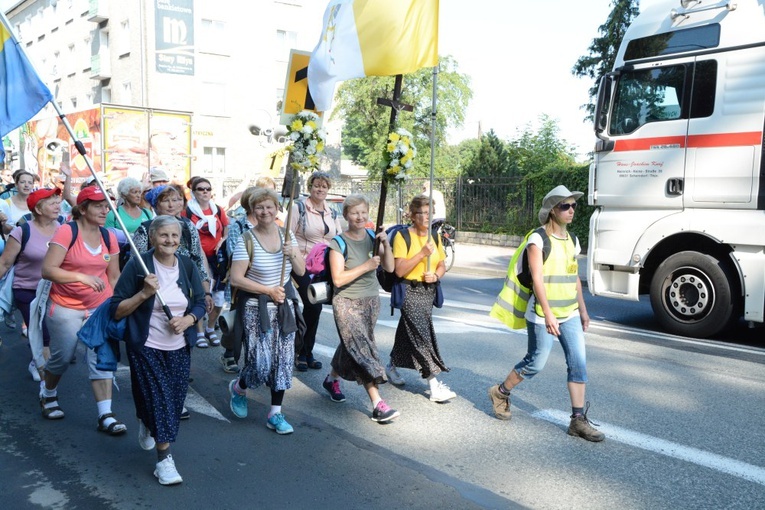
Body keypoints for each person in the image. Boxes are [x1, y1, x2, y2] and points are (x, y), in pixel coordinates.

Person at [487, 185, 605, 442]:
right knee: (535, 363)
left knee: (578, 364)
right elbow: (538, 280)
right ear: (553, 210)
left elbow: (574, 278)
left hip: (570, 312)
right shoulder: (537, 240)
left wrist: (583, 311)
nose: (572, 210)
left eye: (574, 205)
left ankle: (577, 420)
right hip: (543, 313)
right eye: (566, 205)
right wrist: (549, 314)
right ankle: (501, 392)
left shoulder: (573, 240)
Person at [111, 215, 206, 485]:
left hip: (178, 346)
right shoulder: (138, 265)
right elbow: (116, 308)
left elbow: (200, 302)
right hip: (145, 345)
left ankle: (146, 418)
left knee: (173, 404)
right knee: (160, 398)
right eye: (164, 235)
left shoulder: (186, 264)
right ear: (152, 237)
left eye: (175, 236)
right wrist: (143, 293)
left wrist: (188, 319)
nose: (170, 241)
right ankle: (164, 460)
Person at [39, 186, 124, 434]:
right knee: (62, 357)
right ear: (83, 208)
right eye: (98, 205)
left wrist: (119, 305)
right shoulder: (67, 232)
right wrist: (81, 277)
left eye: (106, 205)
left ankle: (105, 414)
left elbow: (114, 276)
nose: (104, 210)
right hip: (66, 306)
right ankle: (48, 392)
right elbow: (48, 270)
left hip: (99, 307)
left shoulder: (109, 236)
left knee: (101, 358)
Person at [228, 188, 305, 435]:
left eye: (269, 206)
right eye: (259, 207)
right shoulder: (246, 239)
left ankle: (275, 413)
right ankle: (239, 388)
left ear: (277, 208)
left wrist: (292, 253)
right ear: (252, 211)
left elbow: (301, 272)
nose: (265, 212)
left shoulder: (287, 235)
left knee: (283, 361)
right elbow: (236, 279)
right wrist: (268, 290)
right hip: (255, 308)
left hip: (283, 307)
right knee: (260, 364)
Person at [322, 194, 399, 422]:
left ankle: (331, 379)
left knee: (352, 345)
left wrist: (385, 243)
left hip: (371, 301)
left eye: (363, 212)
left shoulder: (372, 236)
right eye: (354, 213)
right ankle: (378, 403)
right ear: (345, 215)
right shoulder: (338, 243)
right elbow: (338, 279)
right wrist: (366, 266)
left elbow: (390, 267)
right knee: (362, 349)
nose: (360, 217)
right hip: (347, 302)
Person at [386, 196, 456, 403]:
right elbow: (399, 270)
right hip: (409, 291)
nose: (426, 217)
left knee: (409, 332)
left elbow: (442, 264)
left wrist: (435, 275)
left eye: (429, 213)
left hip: (428, 292)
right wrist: (421, 253)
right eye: (422, 213)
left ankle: (391, 366)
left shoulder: (434, 235)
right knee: (422, 337)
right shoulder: (402, 236)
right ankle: (434, 385)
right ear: (412, 215)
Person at [133, 185, 213, 347]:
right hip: (155, 289)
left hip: (184, 286)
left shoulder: (189, 227)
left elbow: (197, 259)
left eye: (176, 200)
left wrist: (205, 291)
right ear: (156, 204)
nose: (171, 205)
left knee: (182, 334)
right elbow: (136, 264)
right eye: (166, 201)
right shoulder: (145, 228)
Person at [0, 188, 62, 381]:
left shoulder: (64, 228)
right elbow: (4, 263)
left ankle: (37, 361)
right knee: (43, 334)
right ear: (38, 209)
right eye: (51, 203)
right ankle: (48, 390)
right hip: (27, 290)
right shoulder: (22, 231)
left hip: (57, 290)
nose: (57, 206)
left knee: (54, 334)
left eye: (57, 202)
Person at [290, 171, 342, 371]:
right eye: (316, 185)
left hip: (322, 267)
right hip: (301, 264)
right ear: (309, 187)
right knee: (312, 304)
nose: (320, 189)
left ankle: (306, 352)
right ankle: (301, 351)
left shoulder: (332, 212)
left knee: (316, 307)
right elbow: (289, 235)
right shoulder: (299, 208)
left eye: (324, 186)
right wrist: (296, 259)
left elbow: (337, 237)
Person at [182, 177, 229, 347]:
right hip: (196, 258)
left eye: (207, 189)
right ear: (193, 192)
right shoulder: (187, 212)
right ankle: (200, 331)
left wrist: (222, 241)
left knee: (219, 294)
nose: (205, 192)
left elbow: (226, 230)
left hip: (217, 258)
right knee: (201, 293)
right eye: (200, 189)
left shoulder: (218, 210)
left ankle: (210, 327)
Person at [219, 186, 257, 374]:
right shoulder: (238, 227)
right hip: (241, 283)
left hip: (264, 282)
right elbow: (233, 253)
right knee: (236, 320)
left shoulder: (272, 226)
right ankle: (229, 354)